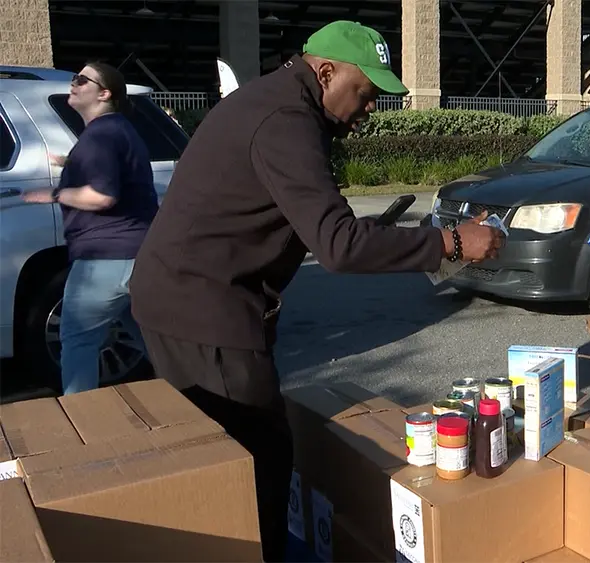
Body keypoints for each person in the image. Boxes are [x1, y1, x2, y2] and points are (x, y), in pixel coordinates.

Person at [128, 21, 504, 562]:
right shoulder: (285, 120)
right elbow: (340, 246)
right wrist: (449, 242)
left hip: (186, 297)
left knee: (234, 453)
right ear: (325, 72)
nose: (372, 107)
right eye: (367, 93)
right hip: (202, 310)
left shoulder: (279, 104)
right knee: (258, 459)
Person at [21, 62, 157, 395]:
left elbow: (102, 196)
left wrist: (50, 194)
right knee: (149, 337)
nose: (74, 84)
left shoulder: (100, 135)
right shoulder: (118, 130)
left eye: (82, 80)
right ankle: (196, 397)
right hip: (139, 255)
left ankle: (83, 424)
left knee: (78, 340)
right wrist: (70, 163)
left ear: (104, 92)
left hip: (104, 259)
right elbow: (114, 174)